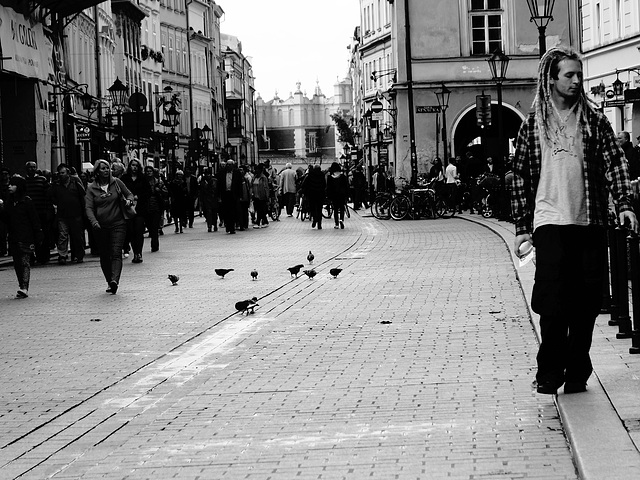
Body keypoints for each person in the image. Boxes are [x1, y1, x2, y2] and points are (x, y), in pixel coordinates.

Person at [511, 46, 639, 395]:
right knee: (552, 302)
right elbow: (520, 175)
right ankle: (550, 371)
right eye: (569, 75)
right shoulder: (533, 124)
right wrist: (523, 227)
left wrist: (624, 204)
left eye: (579, 75)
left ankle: (579, 365)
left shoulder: (593, 120)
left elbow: (616, 163)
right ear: (551, 78)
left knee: (585, 304)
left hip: (589, 221)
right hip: (549, 222)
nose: (577, 81)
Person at [85, 159, 135, 294]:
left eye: (107, 168)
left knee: (116, 252)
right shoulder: (92, 188)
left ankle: (115, 280)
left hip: (118, 223)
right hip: (101, 226)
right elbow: (88, 207)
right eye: (103, 168)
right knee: (105, 255)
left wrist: (129, 201)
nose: (106, 170)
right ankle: (109, 281)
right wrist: (94, 221)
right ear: (97, 171)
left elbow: (129, 194)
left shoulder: (116, 183)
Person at [0, 174, 43, 298]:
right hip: (14, 236)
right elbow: (6, 219)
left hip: (26, 236)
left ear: (18, 187)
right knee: (17, 263)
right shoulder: (10, 202)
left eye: (12, 184)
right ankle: (21, 285)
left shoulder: (26, 201)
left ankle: (24, 287)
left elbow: (34, 219)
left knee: (24, 262)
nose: (9, 186)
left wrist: (38, 233)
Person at [49, 163, 86, 264]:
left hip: (76, 213)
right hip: (63, 214)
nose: (61, 175)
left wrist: (85, 210)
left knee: (77, 236)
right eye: (60, 173)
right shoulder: (56, 184)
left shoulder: (75, 181)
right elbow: (52, 196)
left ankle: (79, 255)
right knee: (63, 235)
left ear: (68, 173)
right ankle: (62, 255)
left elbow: (83, 195)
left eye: (63, 173)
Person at [121, 159, 151, 263]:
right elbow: (120, 191)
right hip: (128, 209)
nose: (134, 167)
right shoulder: (124, 178)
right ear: (129, 166)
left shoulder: (143, 178)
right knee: (131, 231)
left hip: (140, 209)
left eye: (136, 166)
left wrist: (139, 197)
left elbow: (148, 192)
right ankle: (135, 252)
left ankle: (139, 253)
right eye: (133, 165)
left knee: (139, 231)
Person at [24, 161, 53, 265]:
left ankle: (43, 256)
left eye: (34, 167)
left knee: (43, 234)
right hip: (29, 214)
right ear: (26, 169)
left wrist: (48, 210)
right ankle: (31, 256)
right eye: (30, 167)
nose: (32, 169)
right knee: (30, 236)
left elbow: (48, 196)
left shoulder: (42, 180)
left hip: (41, 212)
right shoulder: (24, 181)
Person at [144, 165, 167, 251]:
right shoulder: (143, 182)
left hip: (156, 206)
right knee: (149, 225)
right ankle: (153, 238)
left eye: (150, 171)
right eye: (147, 171)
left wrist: (159, 190)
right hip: (146, 207)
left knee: (154, 226)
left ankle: (154, 244)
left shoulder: (158, 182)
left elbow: (166, 191)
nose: (149, 173)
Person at [216, 160, 244, 234]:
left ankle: (232, 227)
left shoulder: (237, 173)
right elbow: (219, 185)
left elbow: (239, 185)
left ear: (233, 165)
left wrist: (240, 196)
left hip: (233, 194)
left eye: (230, 165)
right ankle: (228, 225)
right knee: (225, 211)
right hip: (225, 194)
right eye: (227, 165)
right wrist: (218, 196)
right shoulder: (221, 173)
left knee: (233, 211)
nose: (228, 166)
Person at [302, 164, 326, 229]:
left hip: (311, 194)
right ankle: (319, 224)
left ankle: (314, 219)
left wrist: (305, 192)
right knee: (319, 209)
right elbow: (324, 184)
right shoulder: (322, 175)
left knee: (312, 208)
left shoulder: (310, 175)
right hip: (320, 194)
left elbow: (304, 184)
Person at [326, 162, 349, 229]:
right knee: (342, 207)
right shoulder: (343, 177)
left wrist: (328, 195)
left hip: (334, 195)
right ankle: (341, 219)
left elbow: (328, 187)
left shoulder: (330, 177)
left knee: (335, 209)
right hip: (342, 195)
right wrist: (347, 195)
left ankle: (336, 223)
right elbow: (346, 186)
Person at [250, 163, 270, 228]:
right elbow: (252, 186)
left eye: (257, 170)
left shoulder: (263, 178)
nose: (255, 171)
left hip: (262, 196)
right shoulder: (254, 178)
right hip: (255, 196)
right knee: (260, 210)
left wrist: (267, 196)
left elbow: (266, 187)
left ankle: (258, 222)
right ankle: (265, 221)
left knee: (260, 210)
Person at [0, 167, 11, 256]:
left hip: (11, 210)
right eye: (2, 174)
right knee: (2, 232)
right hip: (2, 211)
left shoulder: (11, 185)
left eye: (6, 174)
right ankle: (3, 250)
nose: (4, 176)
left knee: (12, 231)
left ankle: (11, 249)